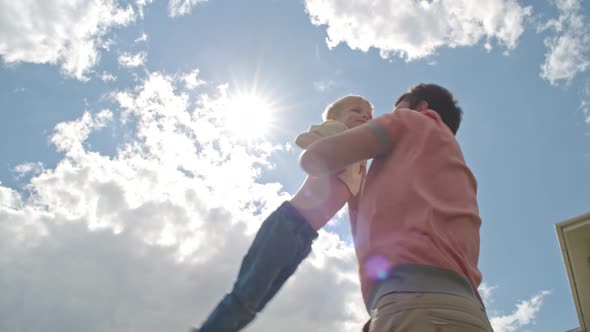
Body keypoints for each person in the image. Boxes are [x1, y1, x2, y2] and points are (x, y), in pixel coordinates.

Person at [300, 84, 494, 331]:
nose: (380, 116)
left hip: (412, 304)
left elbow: (315, 158)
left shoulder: (408, 120)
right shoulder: (450, 164)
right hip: (470, 311)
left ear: (420, 106)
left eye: (396, 107)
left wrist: (331, 133)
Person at [194, 95, 373, 332]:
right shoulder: (338, 132)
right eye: (356, 110)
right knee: (244, 297)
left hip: (304, 237)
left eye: (369, 115)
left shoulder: (361, 164)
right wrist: (333, 148)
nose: (364, 116)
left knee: (252, 307)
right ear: (336, 118)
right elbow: (306, 140)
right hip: (288, 224)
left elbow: (359, 209)